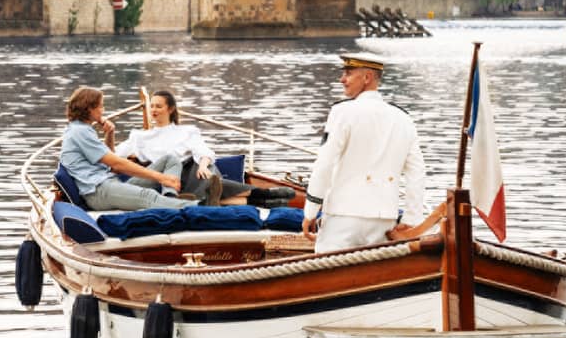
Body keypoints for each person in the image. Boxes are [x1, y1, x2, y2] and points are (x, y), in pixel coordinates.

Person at [301, 54, 426, 252]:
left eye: (348, 73)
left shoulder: (342, 112)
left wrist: (310, 211)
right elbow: (417, 173)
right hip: (384, 220)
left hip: (343, 217)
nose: (342, 79)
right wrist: (412, 218)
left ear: (367, 77)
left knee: (329, 276)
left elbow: (324, 164)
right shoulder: (403, 119)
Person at [116, 90, 279, 207]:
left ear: (170, 109)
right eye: (151, 106)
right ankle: (263, 197)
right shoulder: (139, 137)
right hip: (172, 178)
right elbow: (112, 156)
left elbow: (203, 151)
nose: (153, 111)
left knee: (207, 174)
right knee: (211, 186)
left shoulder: (186, 131)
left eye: (158, 106)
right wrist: (109, 133)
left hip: (194, 169)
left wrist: (202, 165)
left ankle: (200, 198)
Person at [58, 87, 196, 211]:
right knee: (148, 196)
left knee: (170, 160)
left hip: (108, 182)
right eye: (100, 106)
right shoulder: (80, 132)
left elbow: (111, 165)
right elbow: (117, 163)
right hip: (98, 191)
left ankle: (170, 198)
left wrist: (109, 134)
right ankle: (202, 206)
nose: (103, 110)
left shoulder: (82, 129)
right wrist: (162, 178)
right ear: (89, 109)